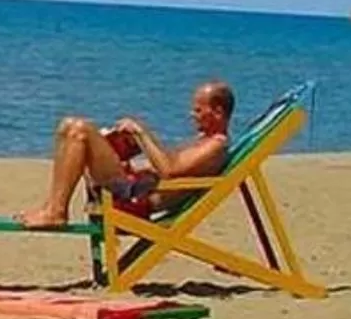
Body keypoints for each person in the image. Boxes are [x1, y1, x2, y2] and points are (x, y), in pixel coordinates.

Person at [19, 80, 234, 228]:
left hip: (134, 199)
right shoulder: (202, 141)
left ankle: (57, 212)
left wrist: (140, 131)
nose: (192, 115)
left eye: (198, 110)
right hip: (134, 186)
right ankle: (51, 207)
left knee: (80, 129)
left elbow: (170, 170)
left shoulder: (216, 145)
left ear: (218, 112)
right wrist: (135, 141)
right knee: (68, 126)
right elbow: (169, 164)